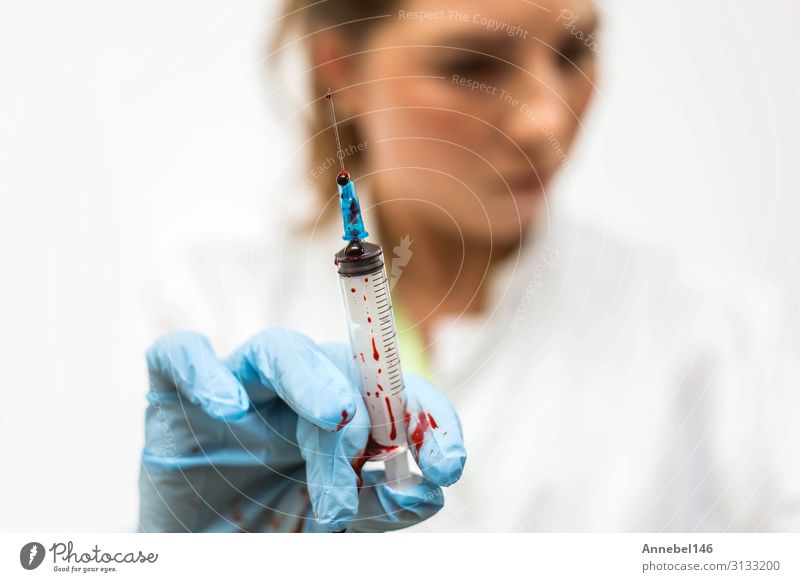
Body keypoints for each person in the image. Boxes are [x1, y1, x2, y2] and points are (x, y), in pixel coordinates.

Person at [138, 0, 799, 532]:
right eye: (475, 65)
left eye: (574, 52)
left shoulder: (718, 341)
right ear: (342, 68)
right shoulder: (217, 303)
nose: (546, 119)